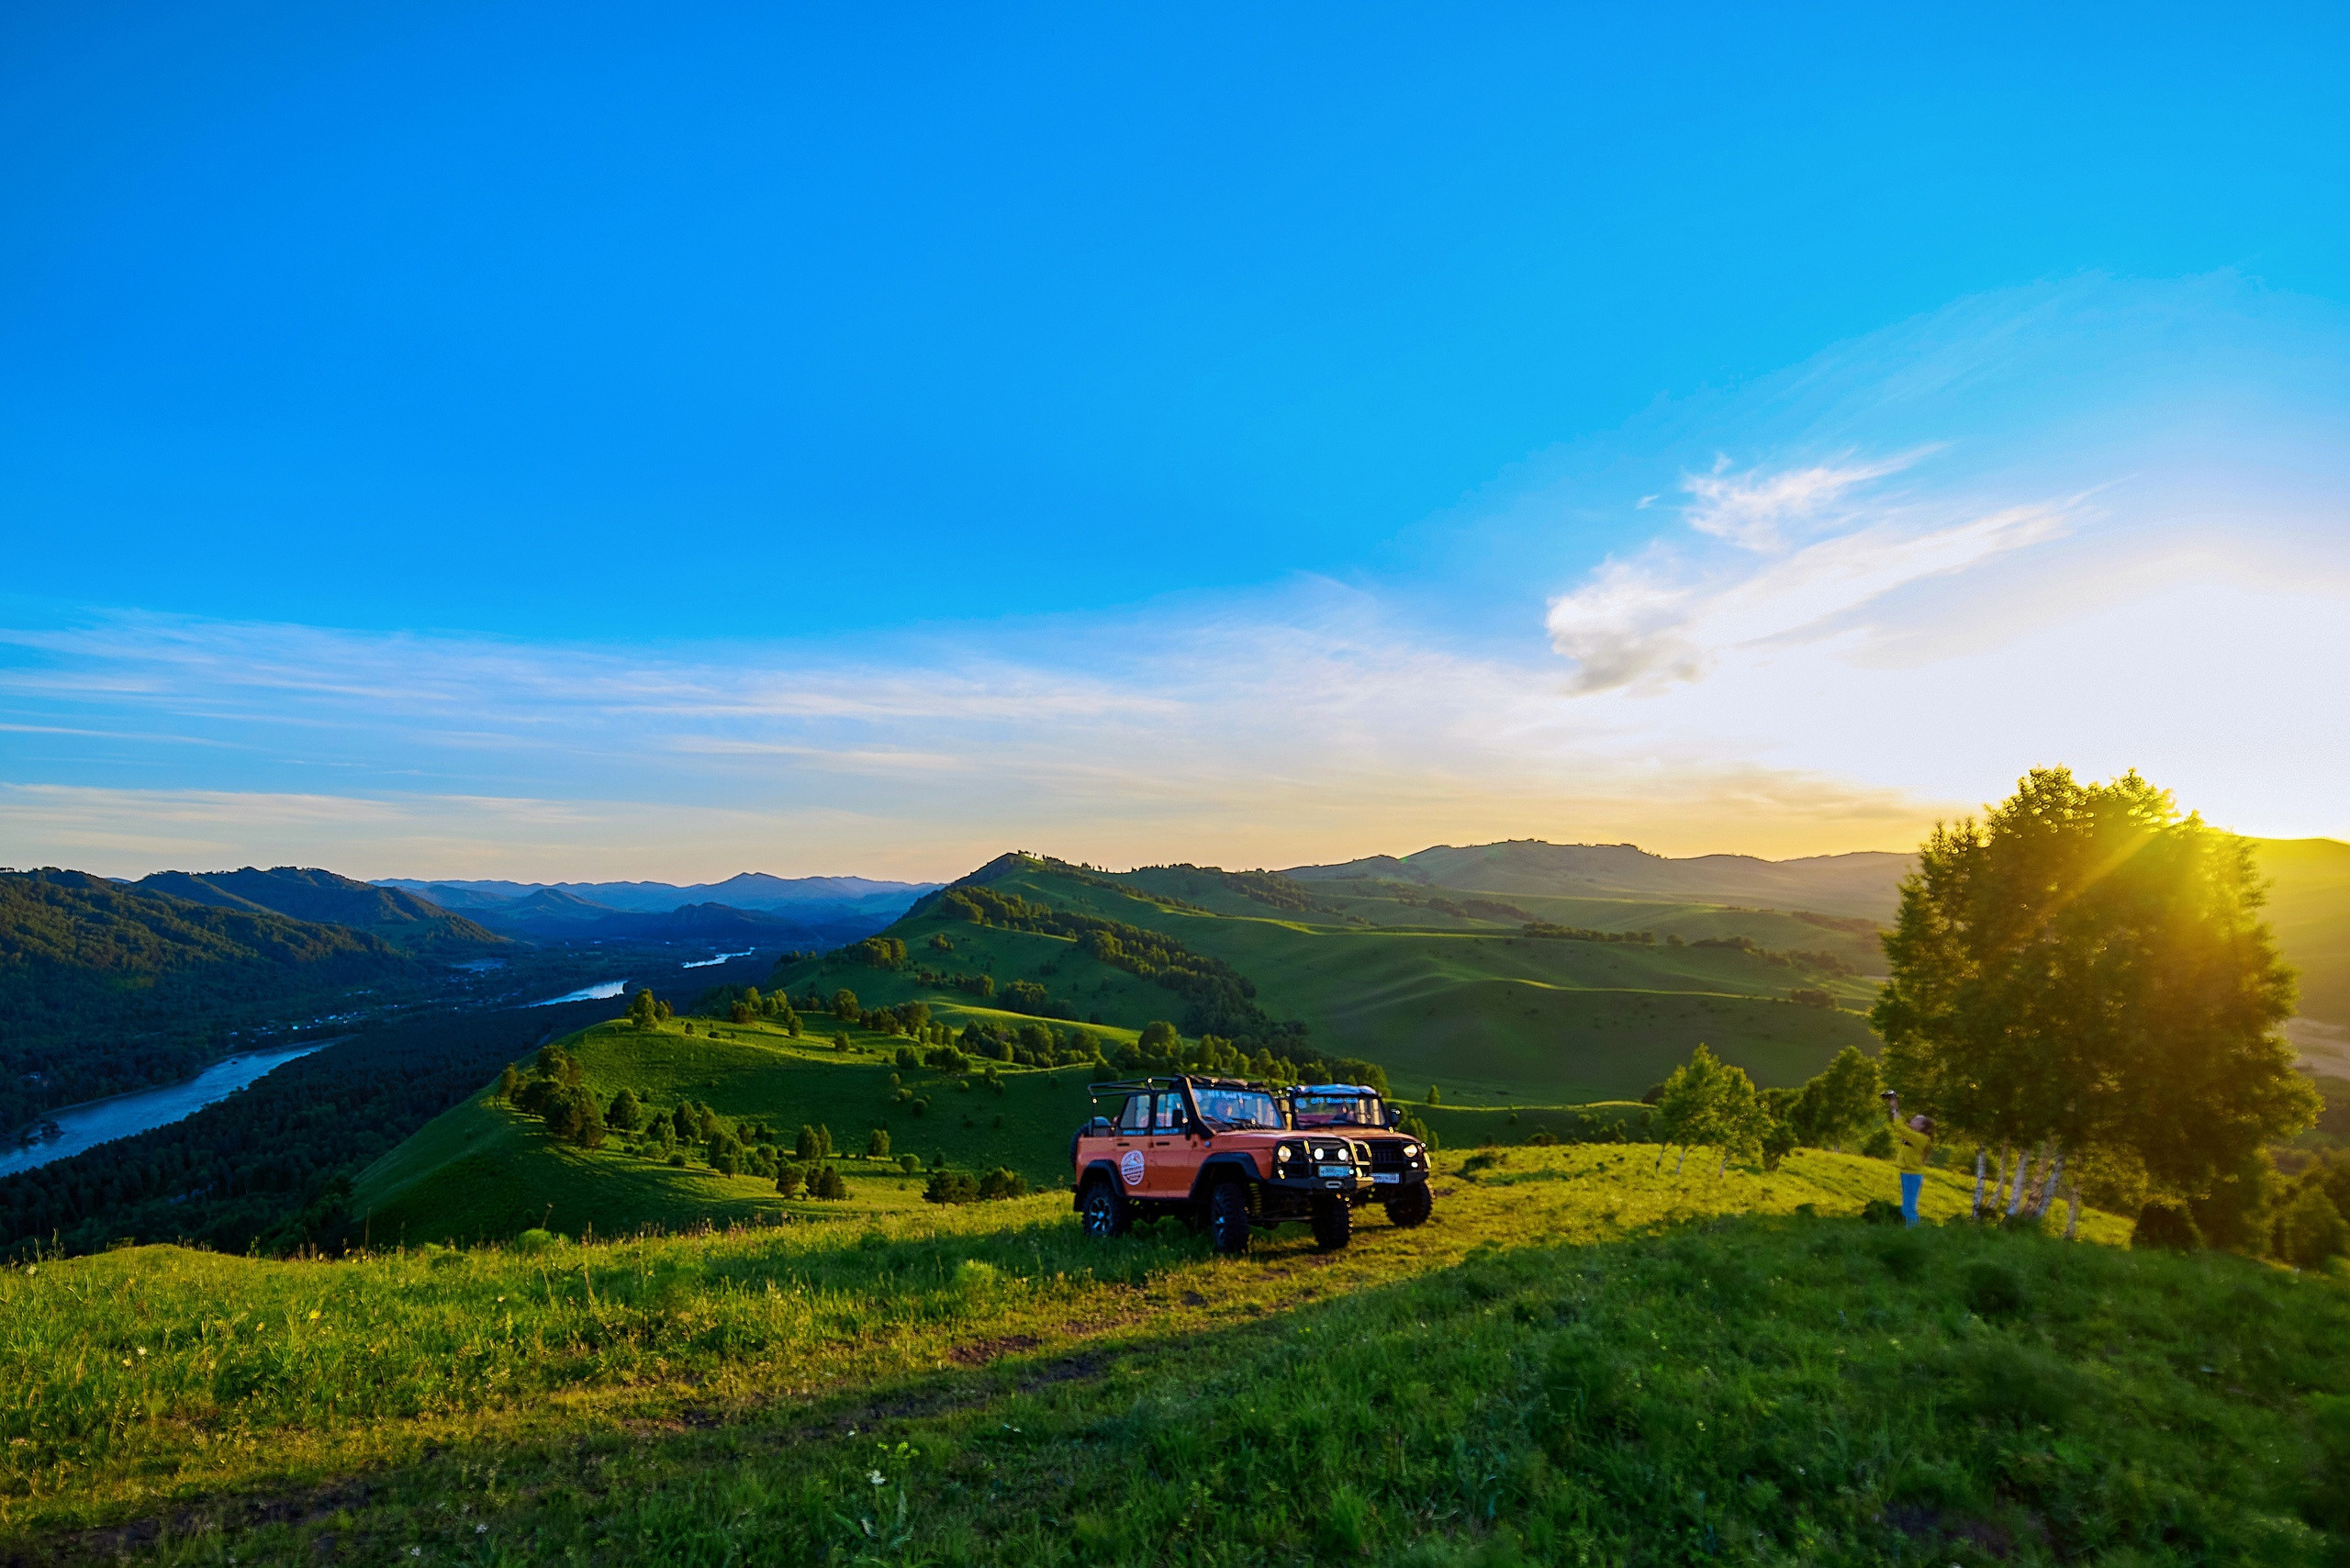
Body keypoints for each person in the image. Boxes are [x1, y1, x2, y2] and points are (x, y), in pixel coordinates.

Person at [1884, 1091, 1933, 1226]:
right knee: (1908, 1206)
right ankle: (1911, 1232)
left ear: (1922, 1127)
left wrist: (1895, 1108)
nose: (1912, 1120)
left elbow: (1899, 1126)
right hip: (1908, 1173)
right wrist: (1894, 1106)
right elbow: (1902, 1126)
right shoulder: (1916, 1136)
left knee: (1908, 1208)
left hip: (1912, 1175)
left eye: (1916, 1120)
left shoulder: (1920, 1138)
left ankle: (1913, 1233)